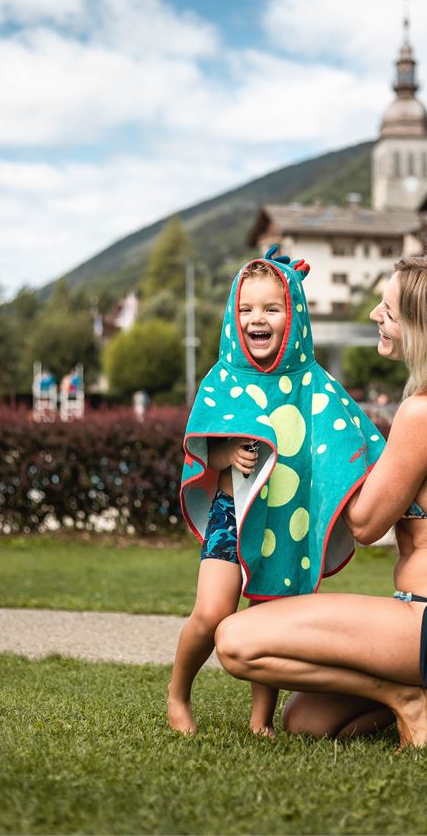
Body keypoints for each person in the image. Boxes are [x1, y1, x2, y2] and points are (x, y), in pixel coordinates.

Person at [215, 254, 427, 749]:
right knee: (305, 721)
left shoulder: (425, 412)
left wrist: (323, 434)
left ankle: (412, 697)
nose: (376, 314)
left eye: (390, 310)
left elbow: (364, 523)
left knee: (235, 642)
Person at [168, 249, 384, 736]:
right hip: (233, 511)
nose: (256, 319)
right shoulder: (223, 378)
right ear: (231, 316)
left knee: (269, 618)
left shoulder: (311, 381)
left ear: (295, 314)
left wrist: (390, 481)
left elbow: (354, 435)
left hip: (288, 516)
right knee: (211, 612)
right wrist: (224, 458)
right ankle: (178, 695)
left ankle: (260, 719)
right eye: (245, 310)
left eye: (271, 308)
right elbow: (203, 442)